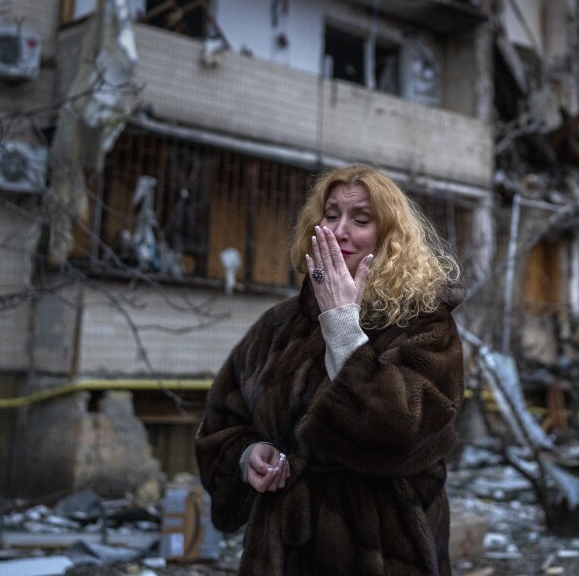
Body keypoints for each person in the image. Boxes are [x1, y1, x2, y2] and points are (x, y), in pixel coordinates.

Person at [195, 164, 465, 575]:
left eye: (360, 219)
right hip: (281, 553)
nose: (339, 231)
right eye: (331, 214)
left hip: (383, 550)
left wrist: (342, 326)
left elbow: (405, 428)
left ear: (389, 236)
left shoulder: (424, 322)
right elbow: (221, 425)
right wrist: (248, 456)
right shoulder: (278, 325)